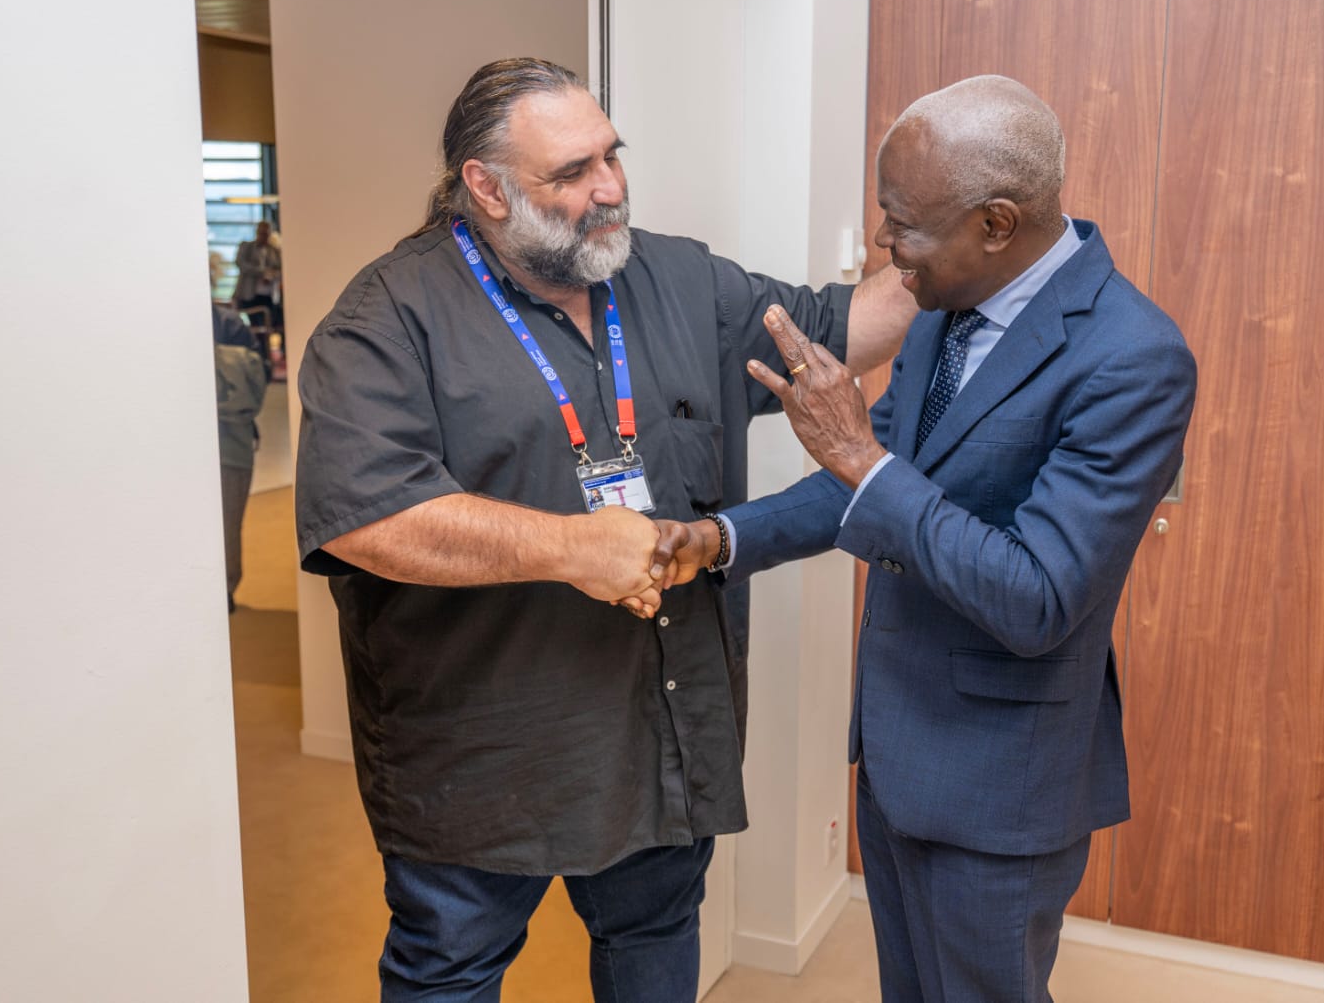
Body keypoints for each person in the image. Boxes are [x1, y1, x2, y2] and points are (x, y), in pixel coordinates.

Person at [292, 57, 913, 1002]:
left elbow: (840, 328)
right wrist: (571, 548)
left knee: (654, 945)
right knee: (448, 972)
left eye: (612, 156)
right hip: (485, 750)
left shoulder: (680, 277)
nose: (610, 187)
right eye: (573, 172)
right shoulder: (387, 317)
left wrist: (945, 236)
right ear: (486, 188)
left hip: (659, 729)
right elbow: (364, 517)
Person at [662, 75, 1197, 1002]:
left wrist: (861, 458)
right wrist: (715, 539)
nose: (883, 244)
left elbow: (1036, 598)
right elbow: (864, 488)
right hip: (896, 759)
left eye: (903, 223)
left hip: (999, 787)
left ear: (996, 223)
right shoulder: (945, 310)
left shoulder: (1132, 356)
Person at [213, 302, 268, 613]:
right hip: (220, 446)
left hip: (229, 447)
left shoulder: (229, 325)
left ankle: (224, 591)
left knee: (226, 525)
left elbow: (252, 388)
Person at [233, 219, 281, 324]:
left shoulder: (274, 251)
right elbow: (241, 263)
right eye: (262, 233)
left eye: (266, 234)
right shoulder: (246, 247)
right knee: (254, 323)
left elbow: (279, 270)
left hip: (268, 295)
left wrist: (271, 275)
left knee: (268, 323)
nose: (264, 236)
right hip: (249, 294)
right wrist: (263, 272)